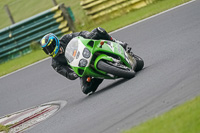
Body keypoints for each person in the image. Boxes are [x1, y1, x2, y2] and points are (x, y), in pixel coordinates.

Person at [40, 27, 133, 95]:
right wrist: (75, 73)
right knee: (86, 89)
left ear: (55, 43)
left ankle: (116, 42)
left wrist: (87, 36)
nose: (49, 51)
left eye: (49, 48)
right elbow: (68, 74)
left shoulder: (66, 38)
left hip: (87, 50)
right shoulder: (55, 63)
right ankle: (99, 75)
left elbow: (80, 34)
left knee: (98, 30)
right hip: (81, 65)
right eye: (46, 50)